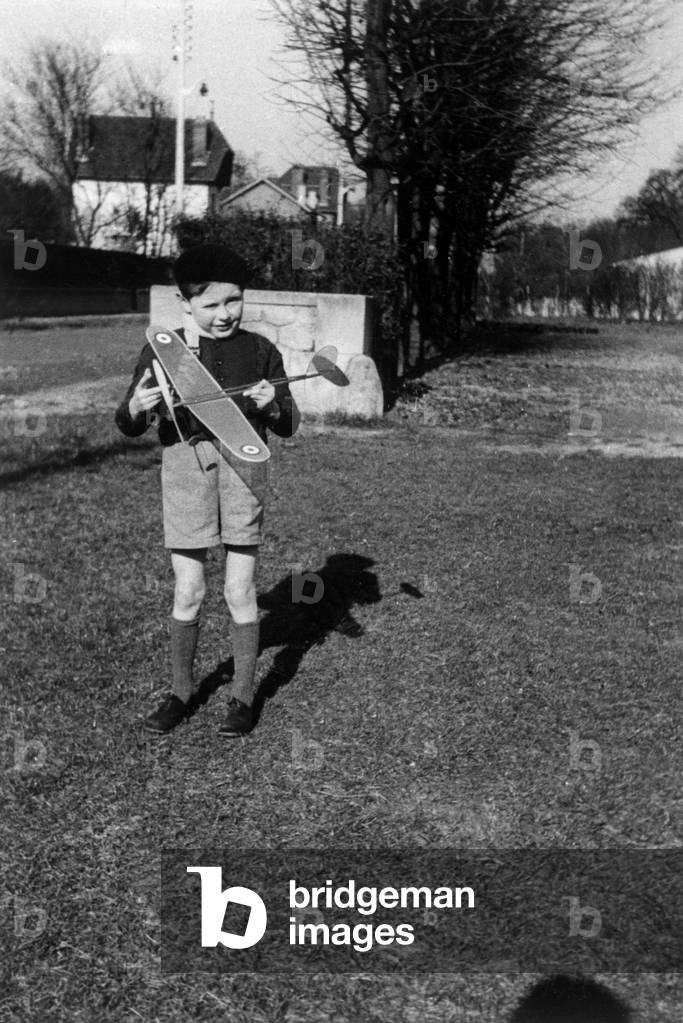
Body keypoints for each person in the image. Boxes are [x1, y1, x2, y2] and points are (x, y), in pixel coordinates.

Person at [115, 243, 300, 736]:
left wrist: (271, 404)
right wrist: (137, 404)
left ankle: (241, 697)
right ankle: (180, 692)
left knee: (239, 590)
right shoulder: (163, 349)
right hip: (185, 470)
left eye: (234, 301)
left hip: (244, 471)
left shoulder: (262, 350)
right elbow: (128, 423)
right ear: (186, 304)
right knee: (189, 590)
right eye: (211, 304)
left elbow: (288, 424)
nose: (225, 314)